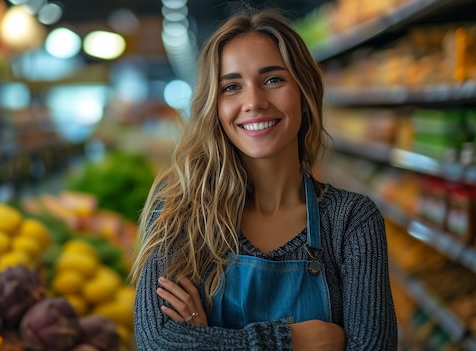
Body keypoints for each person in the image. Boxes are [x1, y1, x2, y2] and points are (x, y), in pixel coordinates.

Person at [129, 6, 398, 351]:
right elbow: (158, 343)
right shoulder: (178, 214)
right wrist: (292, 340)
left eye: (273, 79)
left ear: (305, 90)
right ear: (213, 104)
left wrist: (208, 336)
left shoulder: (352, 220)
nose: (253, 101)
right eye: (232, 87)